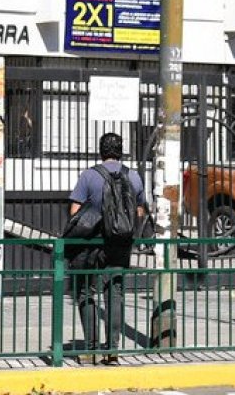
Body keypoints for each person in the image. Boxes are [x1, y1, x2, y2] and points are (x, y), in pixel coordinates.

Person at [67, 132, 148, 366]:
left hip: (91, 244)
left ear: (101, 151)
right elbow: (140, 210)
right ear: (121, 151)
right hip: (120, 243)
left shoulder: (89, 175)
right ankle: (112, 350)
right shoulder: (133, 176)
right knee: (115, 293)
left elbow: (74, 211)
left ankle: (91, 349)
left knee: (86, 292)